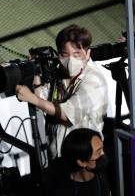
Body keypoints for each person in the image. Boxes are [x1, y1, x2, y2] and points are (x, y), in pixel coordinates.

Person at [15, 24, 108, 159]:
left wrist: (32, 99)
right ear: (59, 54)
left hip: (85, 159)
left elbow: (65, 113)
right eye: (65, 55)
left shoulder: (94, 80)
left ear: (87, 54)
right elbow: (43, 100)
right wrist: (36, 72)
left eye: (77, 54)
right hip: (58, 154)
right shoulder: (59, 72)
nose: (70, 60)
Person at [51, 128, 113, 196]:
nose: (103, 154)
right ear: (81, 162)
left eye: (102, 149)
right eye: (98, 152)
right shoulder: (63, 195)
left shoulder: (102, 173)